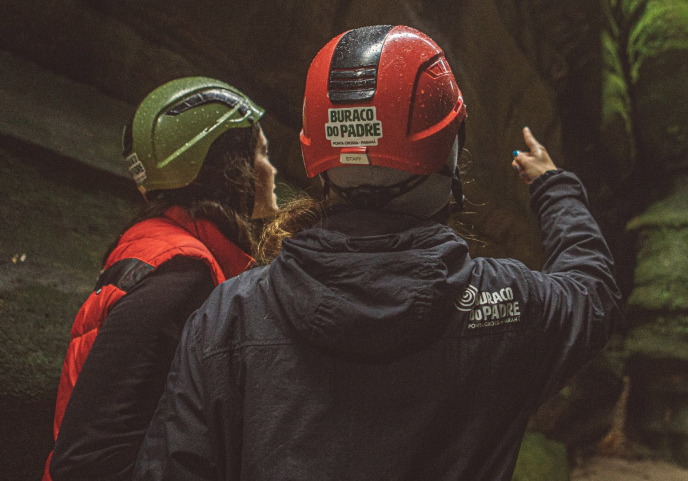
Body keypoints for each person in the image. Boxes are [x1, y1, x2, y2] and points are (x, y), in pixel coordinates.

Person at [134, 25, 623, 480]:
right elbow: (593, 291)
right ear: (449, 152)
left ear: (316, 153)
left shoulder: (231, 316)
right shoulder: (508, 307)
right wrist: (554, 189)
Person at [44, 77, 279, 480]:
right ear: (228, 167)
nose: (271, 171)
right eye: (261, 154)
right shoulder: (182, 274)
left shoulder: (163, 245)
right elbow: (86, 459)